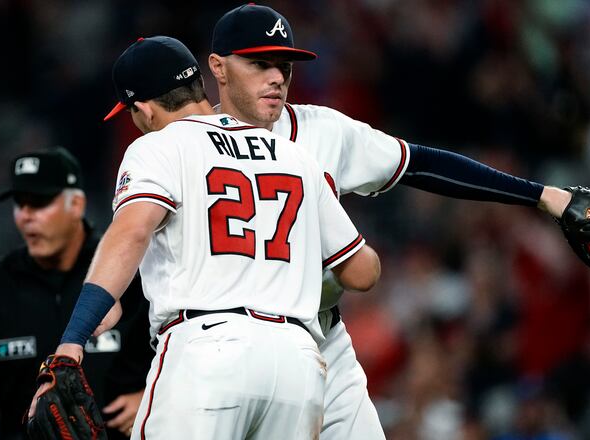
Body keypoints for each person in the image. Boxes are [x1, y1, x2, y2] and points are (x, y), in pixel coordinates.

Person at [206, 4, 577, 439]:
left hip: (320, 337)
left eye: (283, 65)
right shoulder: (183, 146)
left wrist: (542, 195)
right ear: (219, 67)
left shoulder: (322, 131)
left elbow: (424, 164)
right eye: (259, 63)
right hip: (225, 343)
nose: (276, 77)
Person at [30, 36, 381, 439]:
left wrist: (72, 340)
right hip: (298, 363)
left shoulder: (158, 147)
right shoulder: (293, 154)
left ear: (142, 109)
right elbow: (362, 272)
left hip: (207, 352)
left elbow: (133, 231)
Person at [0, 147, 153, 439]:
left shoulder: (130, 273)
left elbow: (182, 352)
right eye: (20, 203)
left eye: (39, 203)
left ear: (76, 204)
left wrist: (151, 396)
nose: (26, 216)